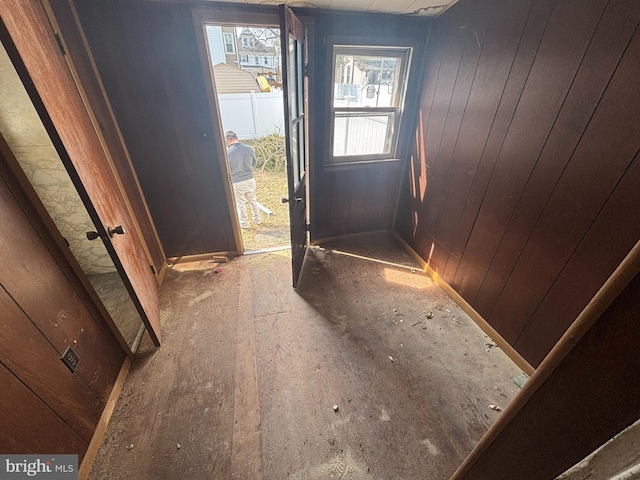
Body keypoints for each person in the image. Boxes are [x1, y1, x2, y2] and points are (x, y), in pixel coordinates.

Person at [225, 130, 262, 229]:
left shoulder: (227, 153)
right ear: (237, 138)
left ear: (228, 140)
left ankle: (244, 224)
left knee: (240, 203)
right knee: (253, 200)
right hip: (250, 179)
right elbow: (254, 163)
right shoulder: (249, 149)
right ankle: (258, 219)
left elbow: (226, 169)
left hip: (236, 181)